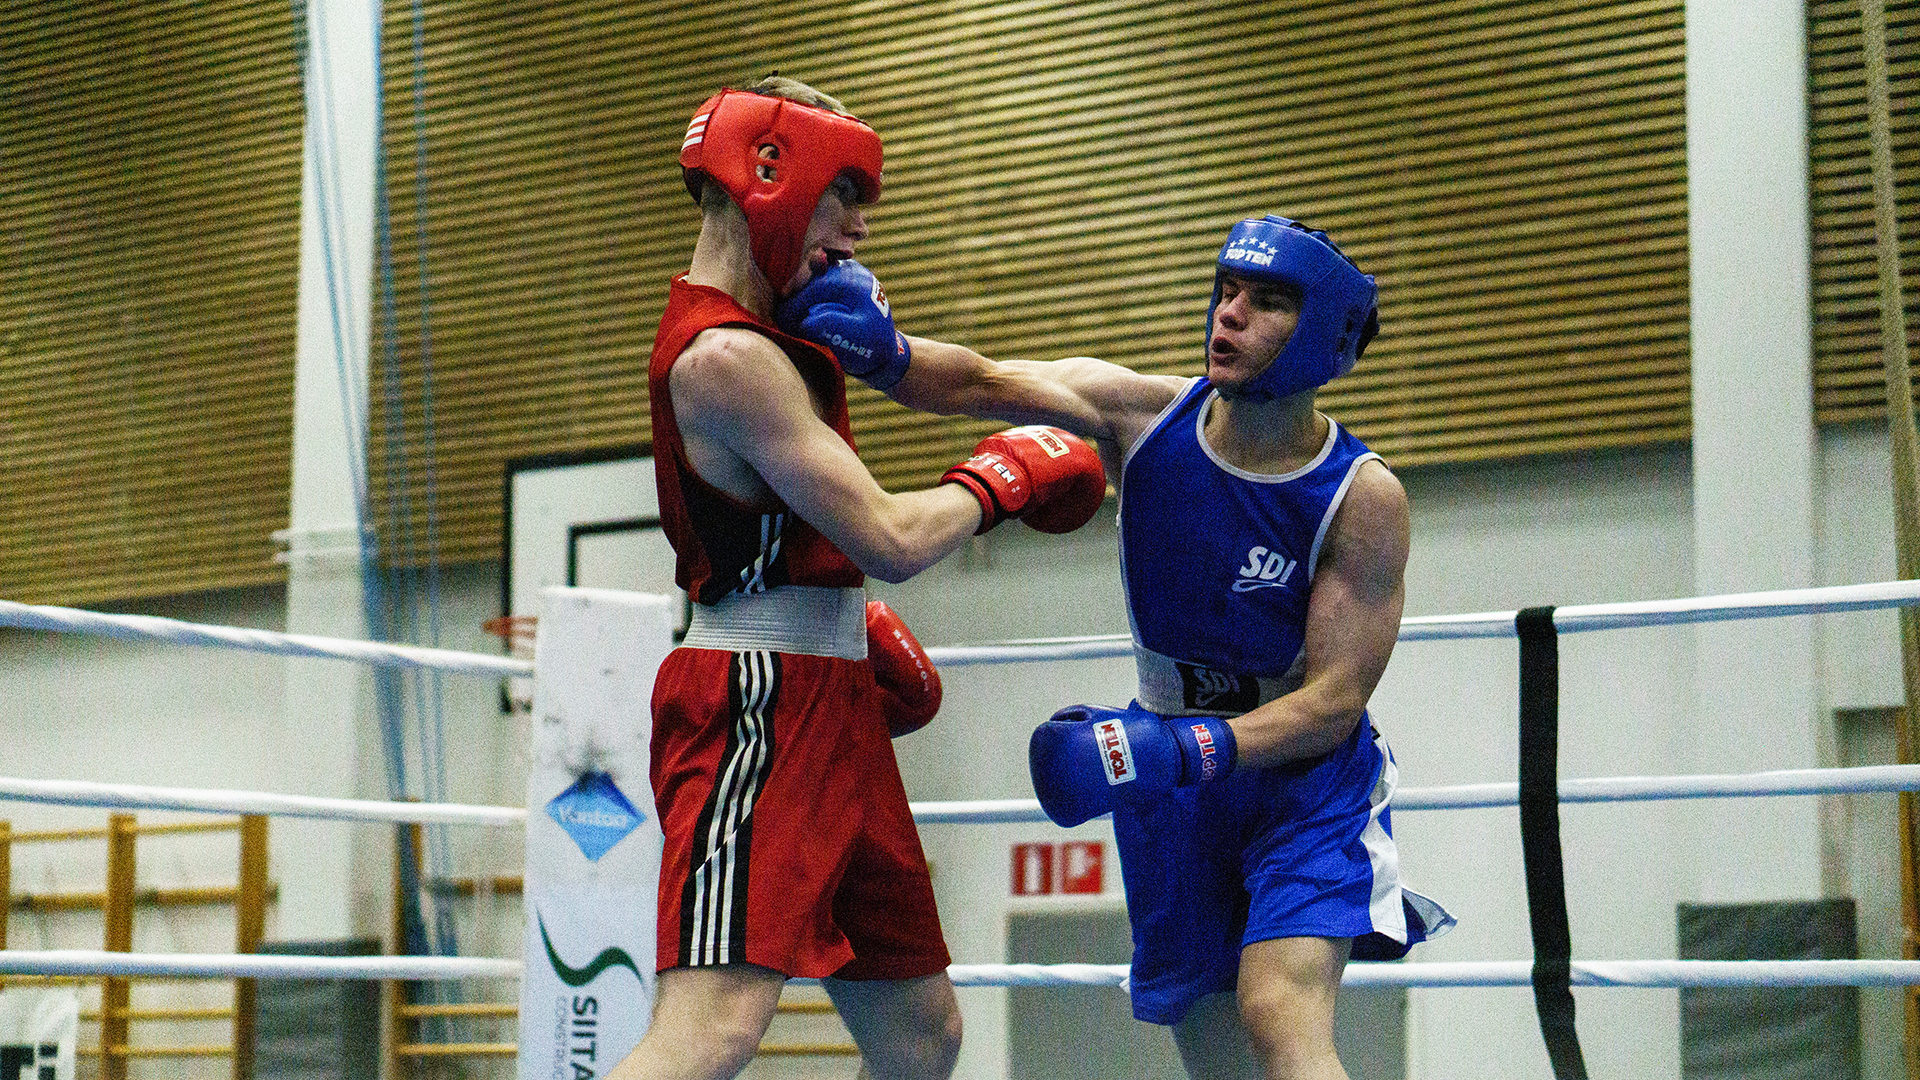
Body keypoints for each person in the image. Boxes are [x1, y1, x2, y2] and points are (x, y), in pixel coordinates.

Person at [775, 215, 1452, 1079]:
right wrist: (885, 355)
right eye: (1227, 291)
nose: (1230, 314)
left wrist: (1185, 748)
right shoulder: (1144, 416)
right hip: (1172, 782)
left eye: (1267, 301)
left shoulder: (1361, 497)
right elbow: (984, 380)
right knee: (1217, 1056)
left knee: (1281, 1014)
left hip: (1302, 783)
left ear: (1328, 334)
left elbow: (1332, 704)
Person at [610, 76, 1109, 1080]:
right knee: (710, 1032)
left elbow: (966, 377)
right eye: (844, 193)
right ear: (769, 175)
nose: (860, 227)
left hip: (829, 696)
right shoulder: (724, 357)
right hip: (757, 704)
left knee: (921, 1034)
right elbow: (889, 535)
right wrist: (1004, 475)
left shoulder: (792, 328)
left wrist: (1144, 413)